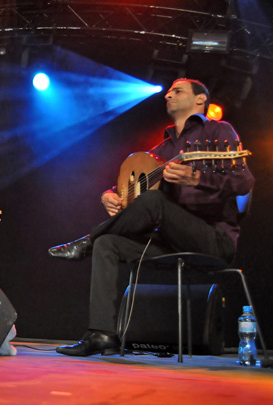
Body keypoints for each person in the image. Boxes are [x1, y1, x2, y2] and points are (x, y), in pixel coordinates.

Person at [48, 78, 255, 357]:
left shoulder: (218, 131)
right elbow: (128, 185)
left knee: (155, 200)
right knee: (107, 243)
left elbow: (243, 182)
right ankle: (102, 334)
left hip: (214, 238)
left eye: (177, 90)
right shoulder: (164, 149)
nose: (168, 94)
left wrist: (198, 177)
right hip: (171, 241)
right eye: (168, 91)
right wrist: (109, 195)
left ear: (200, 100)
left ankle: (86, 239)